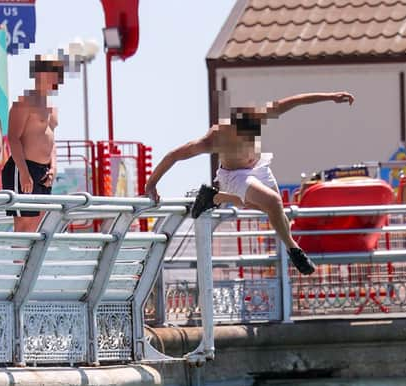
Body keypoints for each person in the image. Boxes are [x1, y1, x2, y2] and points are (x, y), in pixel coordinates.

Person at [144, 91, 355, 275]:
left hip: (259, 168)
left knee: (272, 210)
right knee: (272, 201)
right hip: (234, 176)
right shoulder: (212, 140)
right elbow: (174, 155)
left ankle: (216, 197)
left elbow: (294, 101)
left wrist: (330, 97)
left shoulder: (254, 117)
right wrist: (152, 183)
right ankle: (294, 250)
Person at [2, 55, 64, 232]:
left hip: (43, 172)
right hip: (23, 167)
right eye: (53, 72)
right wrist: (23, 172)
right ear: (40, 74)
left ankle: (32, 261)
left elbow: (52, 140)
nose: (57, 78)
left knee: (40, 224)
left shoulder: (52, 108)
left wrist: (53, 168)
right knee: (24, 224)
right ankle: (19, 261)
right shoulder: (24, 103)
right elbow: (13, 138)